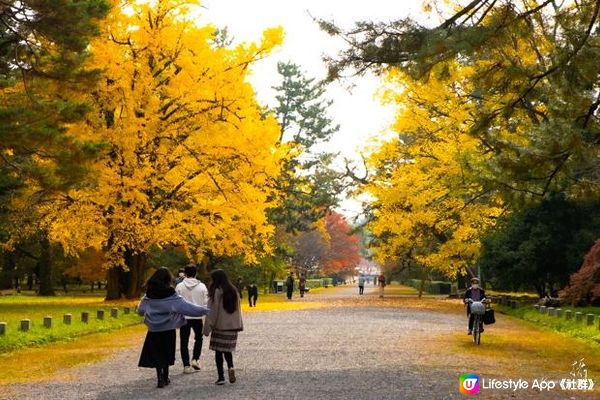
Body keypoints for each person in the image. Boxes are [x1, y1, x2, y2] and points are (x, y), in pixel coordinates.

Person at [137, 267, 210, 388]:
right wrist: (206, 311)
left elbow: (140, 311)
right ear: (167, 279)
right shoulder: (171, 294)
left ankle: (160, 377)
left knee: (157, 352)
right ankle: (165, 376)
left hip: (153, 330)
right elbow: (186, 307)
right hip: (168, 328)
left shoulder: (148, 295)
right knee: (167, 352)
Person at [203, 269, 244, 385]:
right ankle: (231, 367)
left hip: (220, 327)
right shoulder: (234, 290)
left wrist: (207, 328)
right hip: (232, 328)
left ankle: (221, 377)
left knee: (218, 352)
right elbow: (239, 310)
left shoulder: (216, 291)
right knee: (228, 351)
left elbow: (212, 312)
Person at [175, 264, 208, 374]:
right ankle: (195, 359)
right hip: (197, 317)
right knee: (199, 338)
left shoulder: (179, 286)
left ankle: (186, 366)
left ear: (185, 273)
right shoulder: (202, 286)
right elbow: (206, 302)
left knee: (184, 341)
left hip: (184, 317)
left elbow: (176, 302)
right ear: (196, 273)